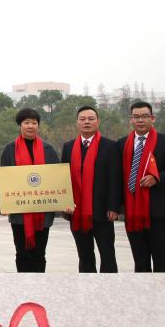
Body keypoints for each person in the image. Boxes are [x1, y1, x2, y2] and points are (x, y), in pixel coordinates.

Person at [118, 101, 165, 272]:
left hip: (159, 211)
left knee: (161, 260)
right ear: (131, 120)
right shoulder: (121, 144)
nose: (140, 120)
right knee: (140, 261)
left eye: (144, 116)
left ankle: (162, 290)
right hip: (133, 212)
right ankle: (143, 290)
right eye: (136, 117)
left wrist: (157, 178)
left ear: (152, 118)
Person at [60, 105, 122, 273]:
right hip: (77, 212)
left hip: (102, 212)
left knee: (108, 256)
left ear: (98, 122)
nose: (86, 122)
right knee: (85, 257)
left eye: (91, 119)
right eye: (82, 119)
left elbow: (115, 179)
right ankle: (87, 287)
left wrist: (114, 207)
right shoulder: (68, 147)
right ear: (77, 123)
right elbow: (64, 178)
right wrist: (65, 203)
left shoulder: (110, 146)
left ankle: (109, 286)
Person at [0, 108, 60, 273]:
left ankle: (39, 285)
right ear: (20, 125)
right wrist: (4, 202)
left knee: (40, 254)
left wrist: (63, 200)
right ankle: (23, 285)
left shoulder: (48, 149)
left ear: (38, 125)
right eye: (26, 122)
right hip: (19, 212)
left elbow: (56, 179)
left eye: (34, 123)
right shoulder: (10, 149)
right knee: (22, 253)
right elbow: (5, 179)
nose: (30, 126)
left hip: (43, 212)